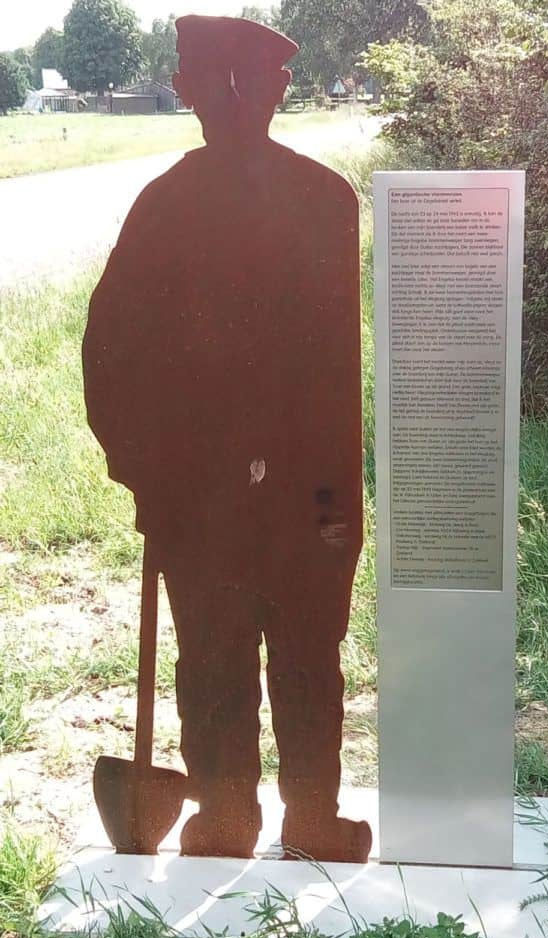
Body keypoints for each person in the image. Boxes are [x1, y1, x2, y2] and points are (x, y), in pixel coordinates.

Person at [82, 14, 370, 862]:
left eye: (240, 83)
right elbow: (112, 349)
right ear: (197, 94)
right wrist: (139, 465)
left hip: (283, 486)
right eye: (218, 83)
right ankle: (236, 813)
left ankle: (281, 813)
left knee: (289, 645)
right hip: (235, 486)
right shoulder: (177, 204)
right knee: (230, 648)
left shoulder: (315, 200)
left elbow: (326, 359)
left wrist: (151, 467)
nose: (233, 99)